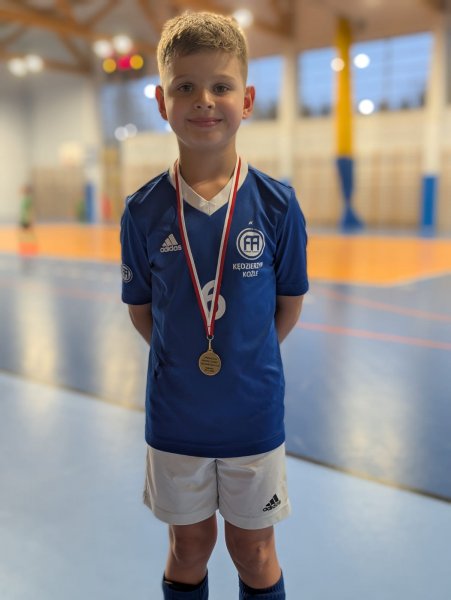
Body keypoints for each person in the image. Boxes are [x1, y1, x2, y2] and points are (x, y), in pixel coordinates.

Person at [120, 11, 308, 600]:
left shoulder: (277, 206)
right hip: (177, 415)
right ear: (162, 102)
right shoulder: (143, 211)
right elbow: (143, 310)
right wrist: (186, 356)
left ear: (246, 100)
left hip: (253, 413)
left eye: (221, 85)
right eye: (185, 86)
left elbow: (287, 304)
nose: (204, 100)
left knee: (254, 550)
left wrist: (243, 355)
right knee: (189, 546)